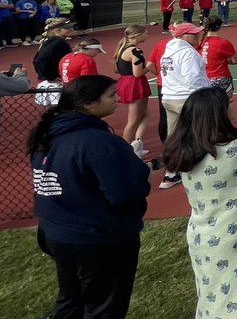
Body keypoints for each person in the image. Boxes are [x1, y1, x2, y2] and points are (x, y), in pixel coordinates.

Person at [28, 75, 149, 319]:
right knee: (104, 308)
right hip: (96, 238)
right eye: (111, 96)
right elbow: (125, 192)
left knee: (71, 300)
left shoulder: (48, 134)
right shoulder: (97, 142)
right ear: (88, 104)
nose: (118, 100)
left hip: (56, 232)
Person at [161, 86, 237, 319]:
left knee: (212, 298)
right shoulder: (233, 153)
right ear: (217, 113)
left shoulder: (184, 151)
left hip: (203, 235)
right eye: (228, 103)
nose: (234, 105)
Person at [159, 21, 210, 189]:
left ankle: (171, 172)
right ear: (183, 36)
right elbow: (193, 78)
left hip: (169, 97)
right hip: (186, 98)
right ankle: (199, 169)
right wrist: (204, 97)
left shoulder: (168, 51)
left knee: (173, 135)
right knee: (198, 133)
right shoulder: (188, 53)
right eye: (193, 33)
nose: (198, 35)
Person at [113, 24, 152, 156]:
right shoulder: (135, 51)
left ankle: (137, 143)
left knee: (145, 115)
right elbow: (138, 73)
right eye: (145, 34)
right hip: (135, 84)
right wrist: (149, 67)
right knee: (133, 120)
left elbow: (117, 69)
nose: (147, 36)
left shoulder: (122, 48)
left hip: (126, 82)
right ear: (138, 35)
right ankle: (126, 150)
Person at [200, 15, 237, 95]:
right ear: (220, 26)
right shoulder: (223, 43)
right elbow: (236, 61)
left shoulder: (201, 43)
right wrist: (225, 60)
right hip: (221, 76)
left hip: (204, 78)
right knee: (226, 102)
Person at [33, 17, 74, 85]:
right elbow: (39, 60)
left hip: (50, 81)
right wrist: (51, 77)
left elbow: (36, 60)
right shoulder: (57, 42)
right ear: (58, 30)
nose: (71, 29)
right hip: (53, 82)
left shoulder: (52, 40)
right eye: (67, 28)